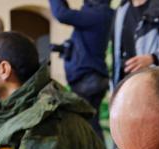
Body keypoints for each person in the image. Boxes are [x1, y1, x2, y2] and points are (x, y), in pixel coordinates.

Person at [48, 0, 114, 140]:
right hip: (91, 77)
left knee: (86, 126)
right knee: (90, 124)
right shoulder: (100, 14)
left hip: (87, 79)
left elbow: (62, 14)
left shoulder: (97, 15)